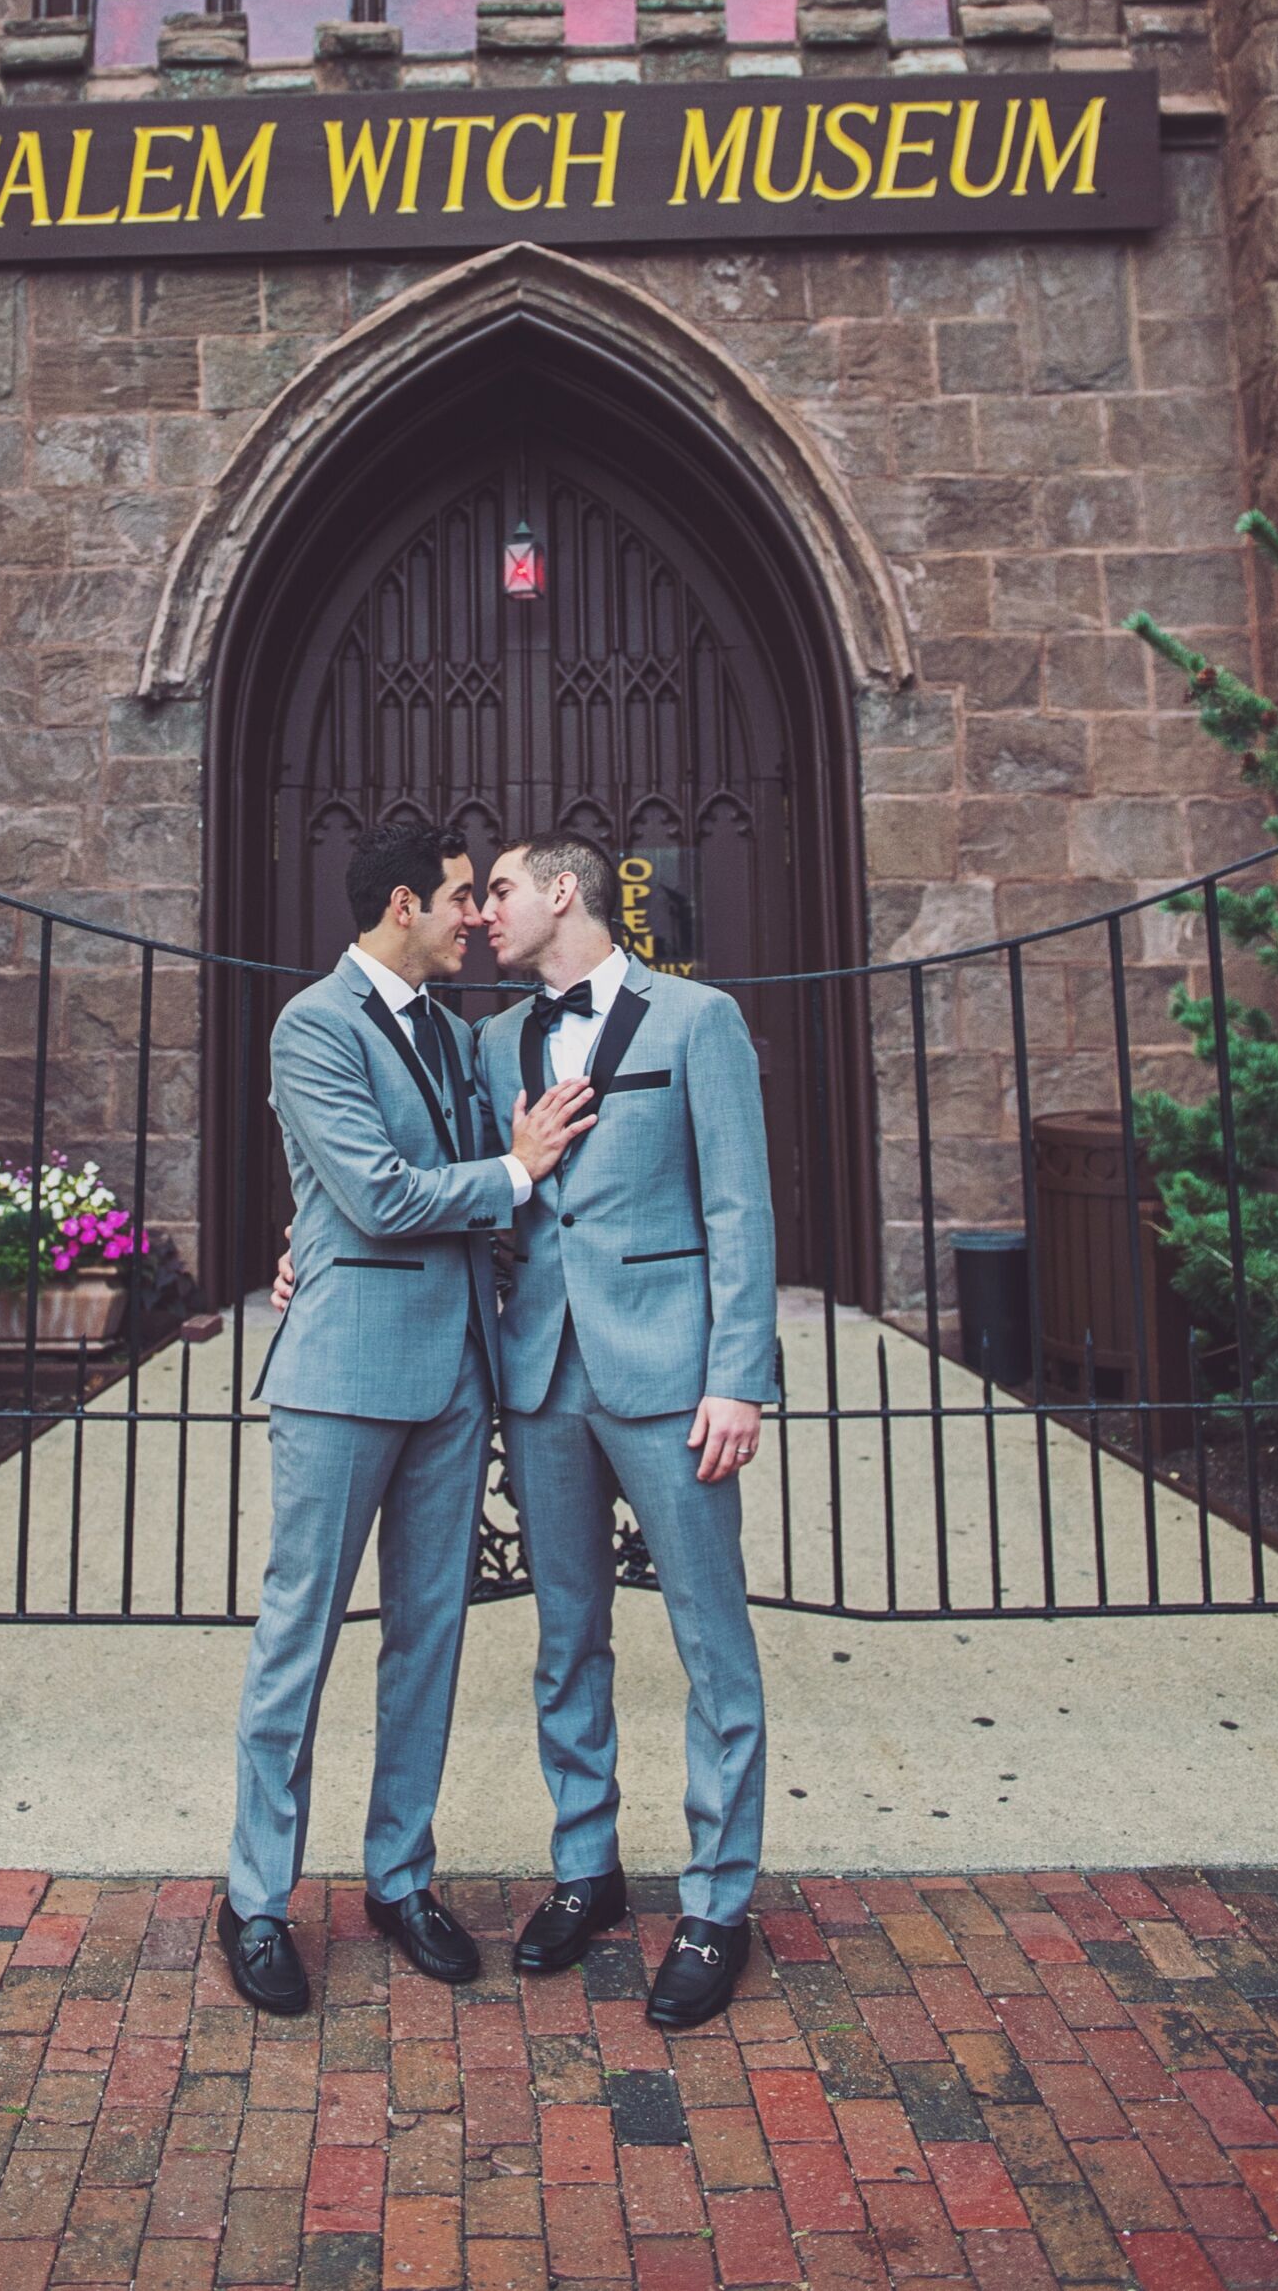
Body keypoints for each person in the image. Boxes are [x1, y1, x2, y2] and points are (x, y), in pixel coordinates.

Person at [220, 820, 595, 2016]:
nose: (475, 918)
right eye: (454, 899)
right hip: (342, 1374)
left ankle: (399, 1879)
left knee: (426, 1640)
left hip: (455, 1375)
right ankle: (257, 1902)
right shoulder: (311, 1025)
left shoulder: (456, 1034)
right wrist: (515, 1171)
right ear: (398, 905)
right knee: (300, 1638)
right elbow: (376, 1195)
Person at [477, 833, 777, 2031]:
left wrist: (737, 1377)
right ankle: (585, 1870)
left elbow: (738, 1206)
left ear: (563, 892)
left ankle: (714, 1903)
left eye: (498, 889)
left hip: (668, 1379)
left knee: (713, 1647)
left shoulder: (698, 1020)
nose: (481, 912)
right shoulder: (497, 1039)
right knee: (565, 1637)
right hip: (541, 1374)